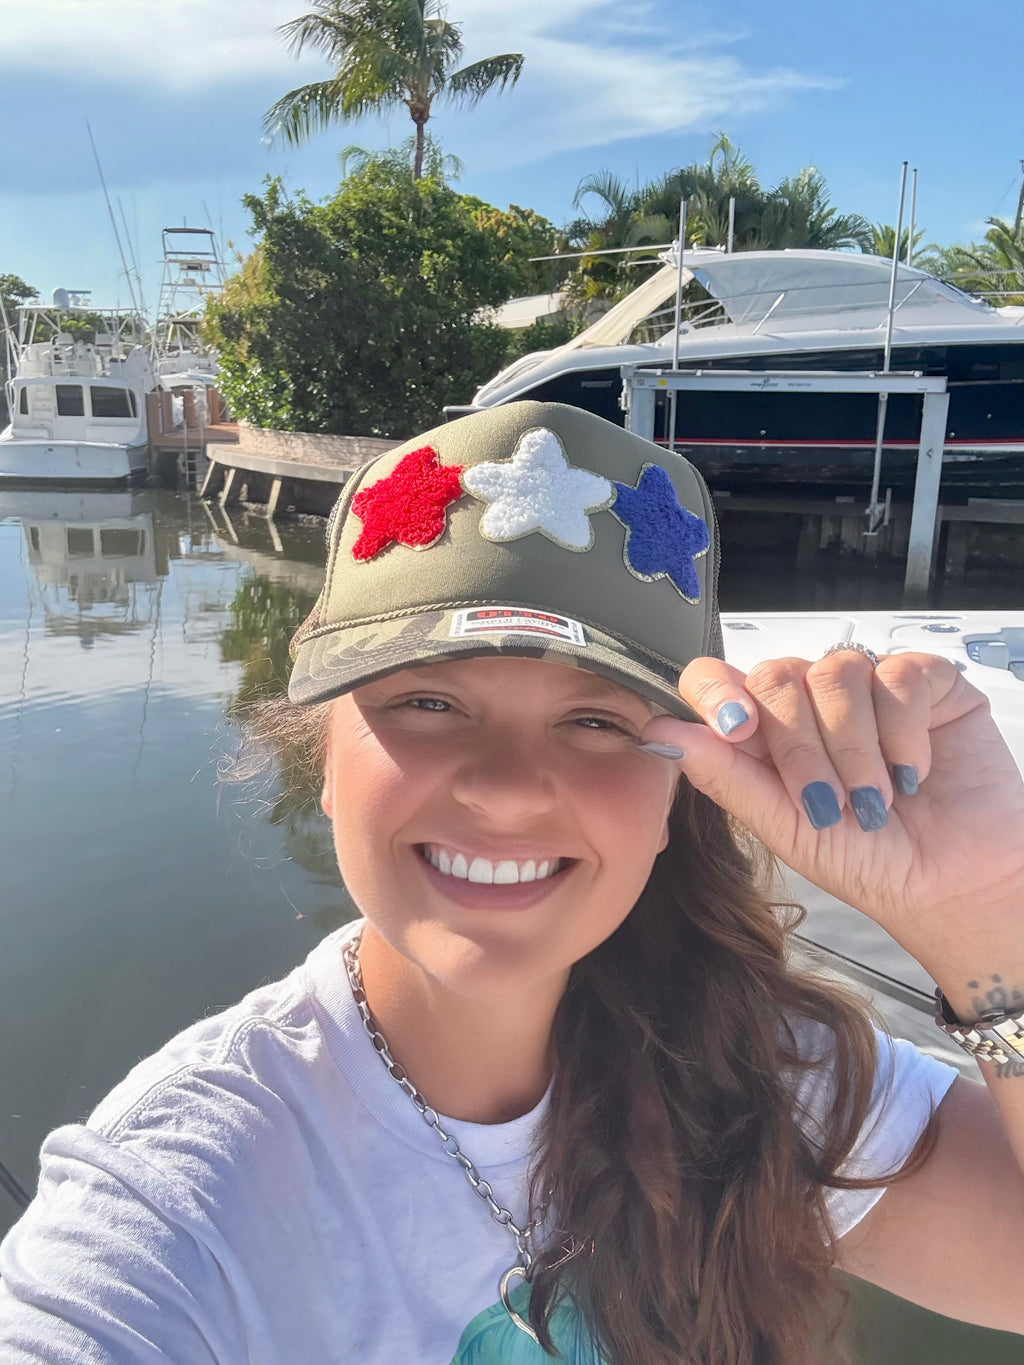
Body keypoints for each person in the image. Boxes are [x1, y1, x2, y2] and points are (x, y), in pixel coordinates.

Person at [1, 401, 1023, 1365]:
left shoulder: (755, 1069)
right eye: (430, 701)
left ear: (682, 794)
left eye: (596, 721)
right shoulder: (172, 1207)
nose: (505, 792)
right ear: (321, 757)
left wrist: (985, 917)